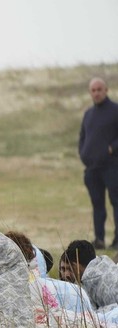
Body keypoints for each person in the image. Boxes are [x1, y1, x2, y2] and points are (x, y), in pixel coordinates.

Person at [79, 77, 118, 250]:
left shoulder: (115, 110)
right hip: (92, 168)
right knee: (97, 204)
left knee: (116, 201)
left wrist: (112, 149)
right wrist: (83, 154)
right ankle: (99, 239)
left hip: (112, 166)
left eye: (99, 89)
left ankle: (117, 240)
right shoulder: (88, 114)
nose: (96, 93)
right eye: (93, 90)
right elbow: (82, 137)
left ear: (106, 90)